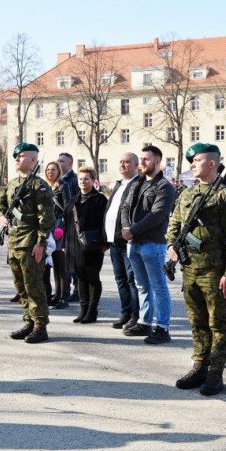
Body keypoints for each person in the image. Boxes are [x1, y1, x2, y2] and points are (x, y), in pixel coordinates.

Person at [169, 144, 226, 395]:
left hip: (214, 272)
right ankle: (199, 364)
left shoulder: (225, 196)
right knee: (197, 321)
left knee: (218, 323)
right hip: (190, 269)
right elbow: (175, 224)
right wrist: (171, 246)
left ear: (212, 164)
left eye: (197, 160)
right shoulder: (187, 194)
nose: (192, 165)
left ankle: (216, 371)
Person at [0, 143, 55, 344]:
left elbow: (47, 217)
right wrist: (1, 217)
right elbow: (1, 203)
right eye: (16, 156)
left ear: (32, 160)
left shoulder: (39, 185)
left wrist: (40, 243)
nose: (16, 159)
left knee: (34, 286)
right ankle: (29, 321)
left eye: (21, 156)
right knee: (20, 286)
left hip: (30, 242)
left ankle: (40, 326)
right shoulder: (13, 183)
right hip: (14, 241)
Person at [121, 145, 177, 345]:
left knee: (158, 287)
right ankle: (144, 322)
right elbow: (125, 206)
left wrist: (132, 230)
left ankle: (162, 327)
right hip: (134, 243)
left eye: (146, 159)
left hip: (152, 244)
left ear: (157, 161)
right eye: (141, 158)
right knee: (141, 286)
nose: (142, 162)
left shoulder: (164, 186)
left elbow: (157, 214)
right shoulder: (137, 183)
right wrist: (126, 228)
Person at [104, 152, 141, 329]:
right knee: (120, 279)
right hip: (113, 241)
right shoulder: (119, 184)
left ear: (136, 165)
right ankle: (125, 313)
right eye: (120, 161)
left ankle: (136, 315)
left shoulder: (138, 184)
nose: (123, 165)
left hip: (128, 241)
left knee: (132, 280)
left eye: (127, 162)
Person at [70, 166, 109, 323]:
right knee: (80, 277)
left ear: (93, 181)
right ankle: (83, 309)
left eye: (86, 179)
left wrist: (106, 243)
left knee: (92, 277)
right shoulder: (74, 199)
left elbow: (106, 223)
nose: (83, 181)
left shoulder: (100, 200)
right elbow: (68, 223)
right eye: (80, 179)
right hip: (76, 245)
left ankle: (92, 311)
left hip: (94, 244)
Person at [44, 161, 69, 309]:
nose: (50, 172)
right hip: (48, 228)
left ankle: (63, 297)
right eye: (48, 169)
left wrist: (64, 229)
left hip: (59, 228)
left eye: (53, 169)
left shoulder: (63, 186)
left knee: (61, 265)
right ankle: (57, 295)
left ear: (58, 171)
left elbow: (67, 208)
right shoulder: (45, 186)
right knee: (52, 262)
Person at [57, 153, 81, 301]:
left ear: (70, 163)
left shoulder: (75, 179)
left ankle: (77, 290)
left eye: (62, 161)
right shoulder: (57, 180)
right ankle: (63, 291)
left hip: (72, 223)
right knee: (61, 259)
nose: (59, 163)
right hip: (58, 224)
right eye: (58, 160)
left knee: (73, 259)